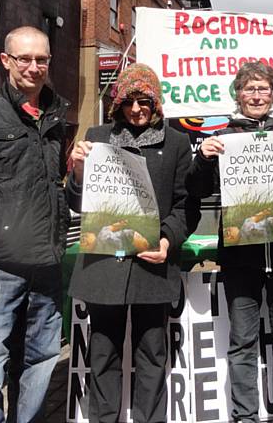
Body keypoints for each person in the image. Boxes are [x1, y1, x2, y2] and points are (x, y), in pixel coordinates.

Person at [187, 61, 273, 423]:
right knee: (242, 342)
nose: (256, 95)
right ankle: (245, 415)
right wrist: (203, 159)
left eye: (263, 89)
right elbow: (196, 189)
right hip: (240, 258)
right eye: (249, 89)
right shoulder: (222, 139)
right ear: (238, 94)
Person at [67, 63, 196, 422]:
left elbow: (187, 205)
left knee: (152, 354)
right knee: (103, 354)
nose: (137, 109)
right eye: (129, 102)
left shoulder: (176, 143)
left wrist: (168, 240)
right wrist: (77, 172)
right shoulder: (97, 136)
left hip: (152, 268)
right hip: (103, 266)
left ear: (156, 102)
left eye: (144, 101)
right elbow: (76, 202)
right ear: (117, 104)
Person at [0, 26, 69, 422]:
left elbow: (55, 188)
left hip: (46, 269)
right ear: (6, 60)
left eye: (42, 59)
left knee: (40, 365)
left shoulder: (58, 117)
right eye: (25, 59)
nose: (34, 68)